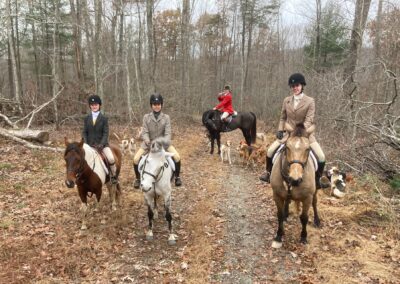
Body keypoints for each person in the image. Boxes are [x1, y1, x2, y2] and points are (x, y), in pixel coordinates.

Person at [259, 73, 327, 189]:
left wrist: (299, 131)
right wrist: (280, 130)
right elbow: (282, 117)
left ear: (302, 86)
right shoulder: (287, 100)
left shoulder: (310, 101)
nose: (295, 88)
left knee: (321, 157)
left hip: (305, 135)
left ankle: (317, 179)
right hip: (288, 135)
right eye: (293, 86)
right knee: (270, 151)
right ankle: (268, 173)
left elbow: (309, 119)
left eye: (297, 85)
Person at [133, 93, 182, 188]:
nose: (157, 106)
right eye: (154, 104)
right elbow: (145, 132)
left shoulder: (166, 118)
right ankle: (138, 179)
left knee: (177, 157)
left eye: (158, 104)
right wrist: (147, 141)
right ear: (151, 105)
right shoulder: (146, 117)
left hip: (164, 144)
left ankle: (177, 177)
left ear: (161, 105)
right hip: (148, 144)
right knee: (135, 159)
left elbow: (168, 133)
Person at [82, 94, 118, 184]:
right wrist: (85, 144)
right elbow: (84, 132)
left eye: (96, 104)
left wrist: (101, 144)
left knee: (111, 158)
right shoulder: (86, 118)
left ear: (99, 105)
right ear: (90, 106)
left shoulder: (104, 119)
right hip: (89, 145)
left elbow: (106, 133)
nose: (94, 106)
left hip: (102, 145)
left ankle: (113, 176)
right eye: (92, 105)